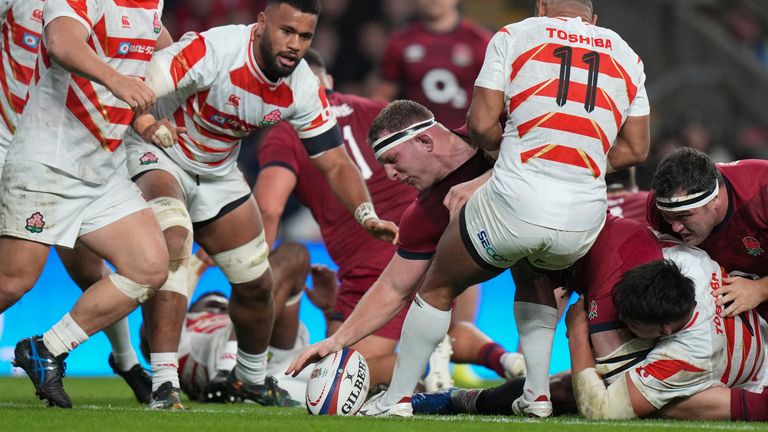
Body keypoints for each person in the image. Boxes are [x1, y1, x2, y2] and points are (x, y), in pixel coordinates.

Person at [288, 0, 650, 418]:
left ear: (540, 7)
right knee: (533, 270)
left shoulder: (515, 35)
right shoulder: (625, 51)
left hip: (521, 205)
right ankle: (536, 395)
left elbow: (480, 125)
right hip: (586, 218)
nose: (388, 176)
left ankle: (397, 399)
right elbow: (637, 148)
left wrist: (508, 167)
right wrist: (337, 342)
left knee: (438, 286)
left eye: (392, 161)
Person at [124, 0, 398, 409]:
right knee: (175, 237)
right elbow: (133, 87)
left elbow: (336, 161)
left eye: (305, 36)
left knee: (256, 287)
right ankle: (164, 384)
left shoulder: (303, 85)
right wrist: (148, 124)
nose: (295, 44)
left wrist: (366, 213)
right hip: (159, 152)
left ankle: (250, 380)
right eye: (286, 31)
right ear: (261, 23)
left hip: (217, 171)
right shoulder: (214, 50)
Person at [257, 53, 523, 388]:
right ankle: (513, 364)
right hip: (436, 241)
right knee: (447, 295)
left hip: (371, 260)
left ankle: (425, 370)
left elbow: (269, 207)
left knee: (328, 376)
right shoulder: (375, 112)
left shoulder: (286, 132)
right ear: (329, 82)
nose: (391, 174)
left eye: (393, 162)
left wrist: (250, 273)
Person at [414, 217, 768, 422]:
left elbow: (601, 411)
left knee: (578, 388)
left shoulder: (687, 357)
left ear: (663, 330)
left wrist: (578, 335)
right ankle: (462, 397)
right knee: (590, 376)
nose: (622, 323)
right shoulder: (689, 261)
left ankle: (459, 399)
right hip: (738, 333)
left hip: (742, 375)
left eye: (630, 323)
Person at [4, 0, 172, 409]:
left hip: (101, 167)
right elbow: (62, 41)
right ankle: (126, 363)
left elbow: (171, 54)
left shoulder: (152, 5)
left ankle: (47, 349)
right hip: (48, 157)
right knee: (12, 282)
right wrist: (118, 81)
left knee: (149, 266)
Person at [142, 242, 316, 404]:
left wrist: (332, 313)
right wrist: (197, 264)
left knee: (295, 252)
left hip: (275, 357)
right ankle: (230, 369)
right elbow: (157, 315)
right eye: (212, 305)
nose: (221, 308)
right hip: (215, 358)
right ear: (190, 313)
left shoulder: (237, 316)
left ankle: (237, 373)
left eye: (225, 306)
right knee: (294, 254)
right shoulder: (181, 335)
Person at [647, 148, 768, 320]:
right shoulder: (660, 208)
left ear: (714, 200)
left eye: (685, 216)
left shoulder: (762, 190)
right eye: (669, 218)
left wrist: (760, 289)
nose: (675, 228)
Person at [372, 0, 491, 130]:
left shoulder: (480, 41)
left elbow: (493, 100)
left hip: (467, 140)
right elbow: (383, 95)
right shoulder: (401, 40)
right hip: (415, 138)